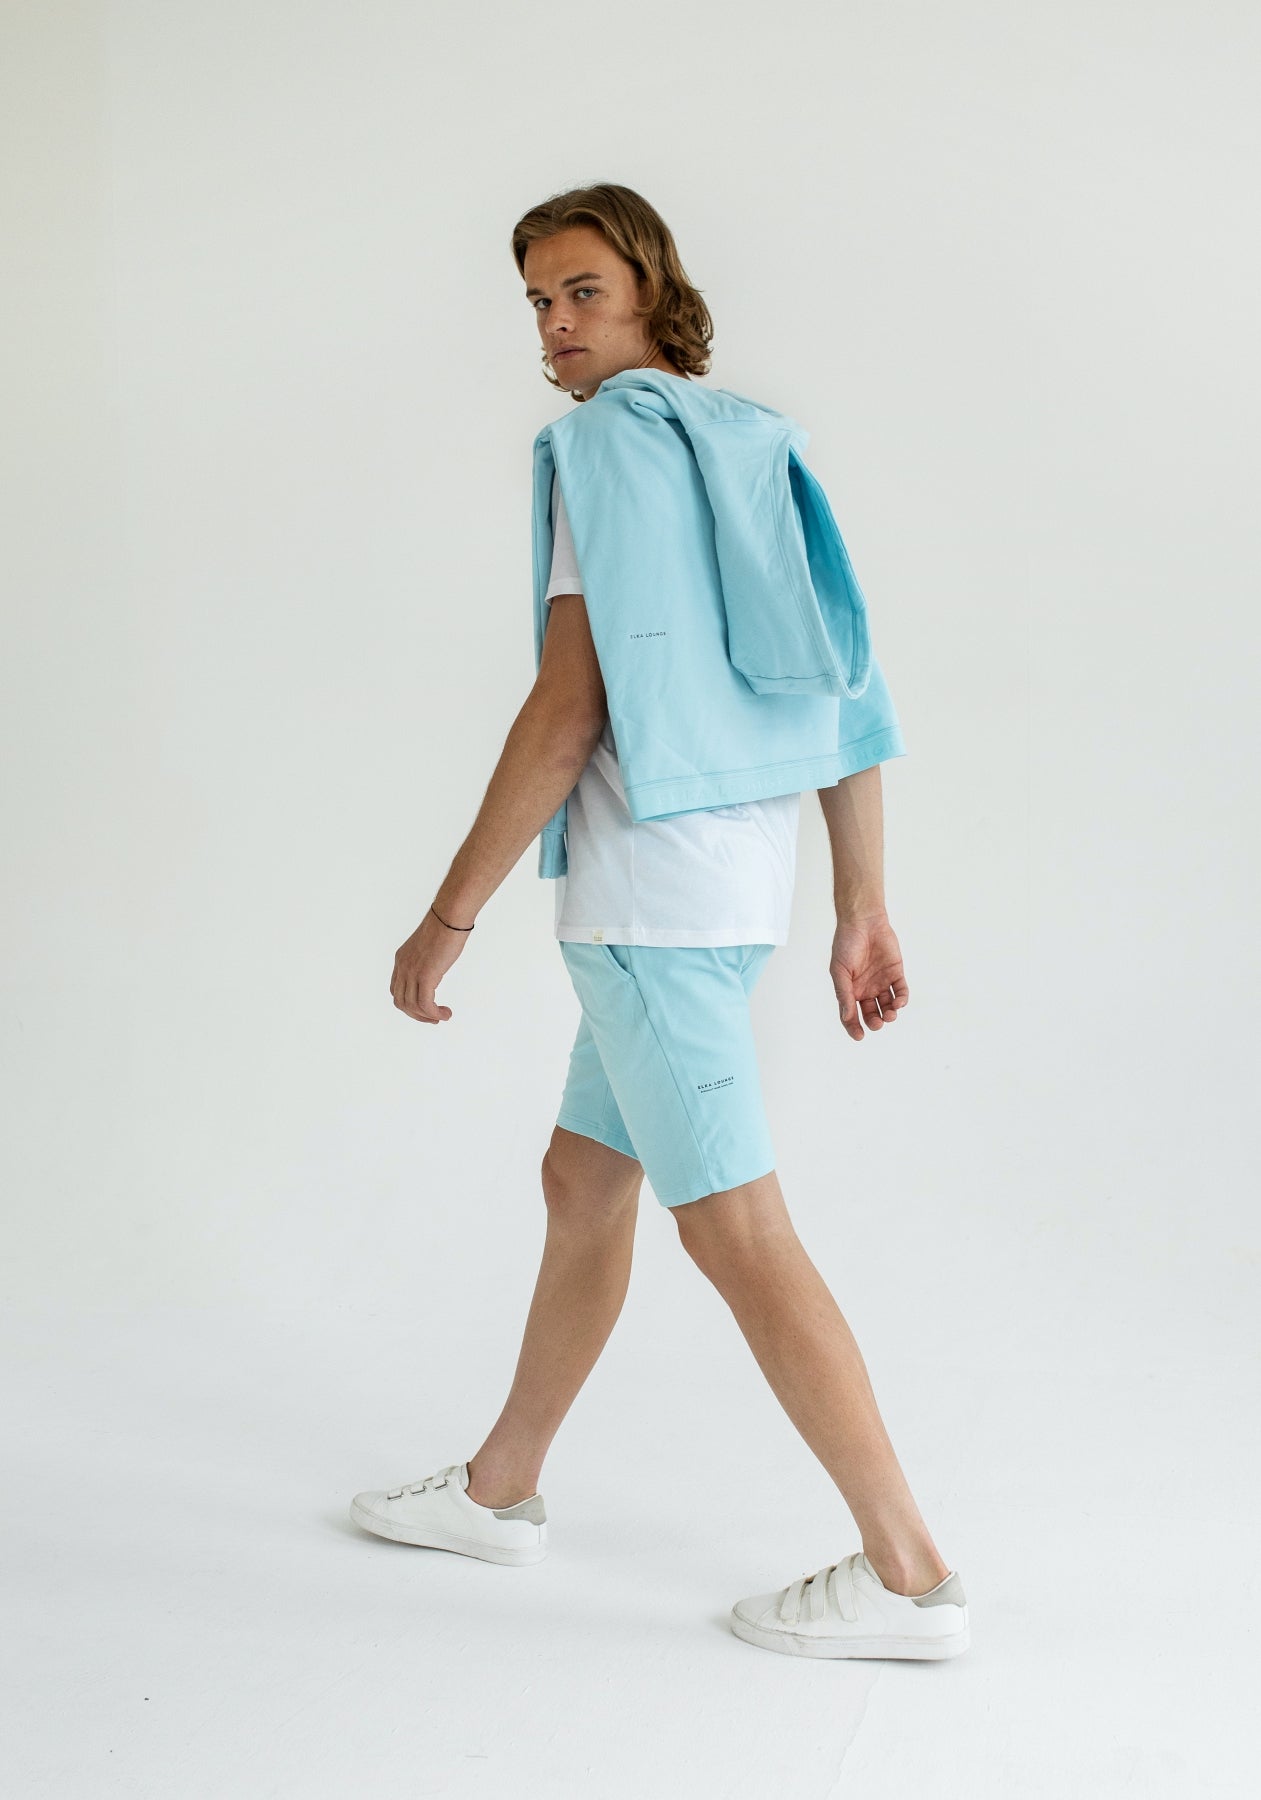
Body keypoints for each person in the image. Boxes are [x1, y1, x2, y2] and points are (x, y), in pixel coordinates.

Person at [350, 185, 969, 1662]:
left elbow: (567, 709)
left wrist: (447, 916)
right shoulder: (748, 442)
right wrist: (859, 902)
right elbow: (842, 685)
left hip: (647, 908)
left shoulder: (604, 451)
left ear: (647, 285)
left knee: (738, 1227)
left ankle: (906, 1577)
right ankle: (498, 1490)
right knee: (582, 1177)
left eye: (581, 290)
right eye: (536, 301)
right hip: (738, 890)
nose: (554, 326)